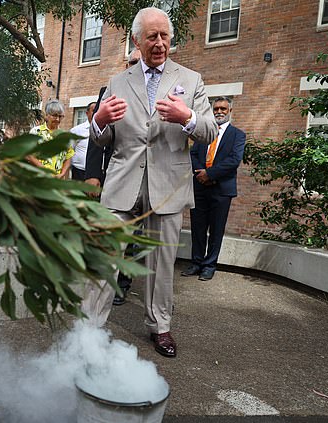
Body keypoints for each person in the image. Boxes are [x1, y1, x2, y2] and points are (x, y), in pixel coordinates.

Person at [81, 7, 218, 358]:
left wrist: (186, 116)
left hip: (168, 186)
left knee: (161, 263)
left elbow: (209, 130)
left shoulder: (192, 79)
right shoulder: (117, 82)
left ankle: (160, 326)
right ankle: (89, 327)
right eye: (152, 37)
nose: (159, 43)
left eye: (165, 36)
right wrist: (98, 119)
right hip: (122, 184)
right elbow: (102, 139)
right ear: (137, 41)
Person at [182, 97, 246, 281]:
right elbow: (192, 154)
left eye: (223, 109)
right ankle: (196, 263)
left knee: (216, 229)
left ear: (230, 111)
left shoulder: (238, 135)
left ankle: (209, 266)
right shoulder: (203, 133)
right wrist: (200, 174)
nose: (219, 111)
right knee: (198, 227)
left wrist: (209, 174)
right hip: (200, 188)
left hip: (221, 189)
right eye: (216, 108)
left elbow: (234, 160)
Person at [84, 48, 142, 192]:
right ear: (126, 66)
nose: (138, 66)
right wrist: (93, 174)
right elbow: (97, 131)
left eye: (142, 63)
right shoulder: (109, 92)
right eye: (134, 62)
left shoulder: (160, 92)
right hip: (116, 170)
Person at [28, 100, 75, 179]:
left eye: (60, 116)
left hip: (57, 179)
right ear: (46, 115)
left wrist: (62, 174)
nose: (57, 119)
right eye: (54, 115)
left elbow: (68, 157)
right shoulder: (36, 132)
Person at [69, 102, 96, 181]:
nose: (96, 113)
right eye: (94, 110)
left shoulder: (104, 130)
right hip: (79, 172)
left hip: (96, 174)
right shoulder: (76, 131)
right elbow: (69, 151)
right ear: (87, 113)